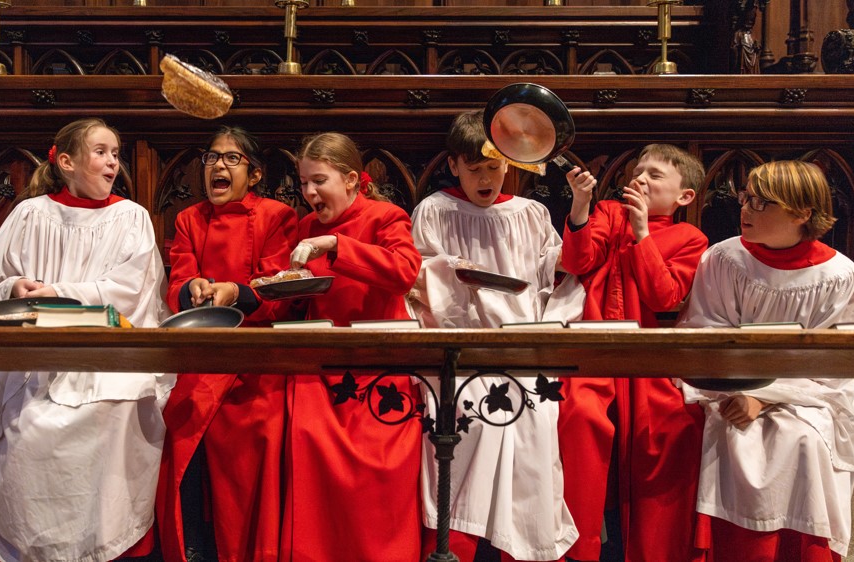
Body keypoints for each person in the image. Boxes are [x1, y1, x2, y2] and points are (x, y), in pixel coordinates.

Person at [0, 118, 173, 561]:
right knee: (27, 426)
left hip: (105, 360)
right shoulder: (29, 214)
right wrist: (15, 288)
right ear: (67, 162)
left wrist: (60, 293)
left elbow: (132, 292)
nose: (113, 161)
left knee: (109, 422)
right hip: (32, 358)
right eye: (101, 152)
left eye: (116, 153)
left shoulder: (131, 217)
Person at [408, 110, 584, 562]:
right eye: (474, 169)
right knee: (468, 414)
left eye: (493, 167)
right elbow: (418, 279)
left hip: (522, 348)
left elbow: (560, 274)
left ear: (510, 163)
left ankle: (524, 549)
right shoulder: (435, 210)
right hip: (458, 348)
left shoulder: (530, 213)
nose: (484, 178)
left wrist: (580, 210)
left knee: (536, 418)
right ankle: (456, 547)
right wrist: (454, 274)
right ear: (454, 166)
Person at [677, 160, 854, 561]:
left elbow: (840, 364)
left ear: (802, 213)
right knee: (734, 437)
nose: (745, 209)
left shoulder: (844, 277)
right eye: (746, 198)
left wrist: (766, 398)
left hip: (812, 399)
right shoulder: (724, 259)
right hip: (727, 386)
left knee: (802, 440)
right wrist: (742, 392)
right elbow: (704, 333)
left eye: (762, 204)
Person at [559, 144, 709, 561]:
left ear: (685, 197)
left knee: (672, 429)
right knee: (578, 416)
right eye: (637, 170)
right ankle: (580, 547)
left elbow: (665, 298)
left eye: (655, 175)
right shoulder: (608, 212)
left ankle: (654, 550)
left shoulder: (690, 238)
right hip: (594, 353)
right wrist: (581, 205)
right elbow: (578, 260)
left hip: (650, 362)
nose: (640, 178)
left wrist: (643, 233)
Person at [156, 127, 298, 562]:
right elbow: (177, 282)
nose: (218, 166)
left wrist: (236, 292)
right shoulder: (189, 219)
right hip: (201, 351)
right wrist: (193, 286)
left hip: (257, 356)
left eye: (232, 159)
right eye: (212, 158)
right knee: (181, 432)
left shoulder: (277, 216)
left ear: (253, 175)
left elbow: (281, 288)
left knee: (260, 435)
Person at [280, 132, 422, 562]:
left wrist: (339, 245)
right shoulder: (305, 226)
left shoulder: (386, 216)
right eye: (303, 182)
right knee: (305, 438)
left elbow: (405, 272)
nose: (308, 193)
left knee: (382, 469)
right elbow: (293, 285)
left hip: (379, 361)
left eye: (318, 181)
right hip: (323, 364)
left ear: (351, 180)